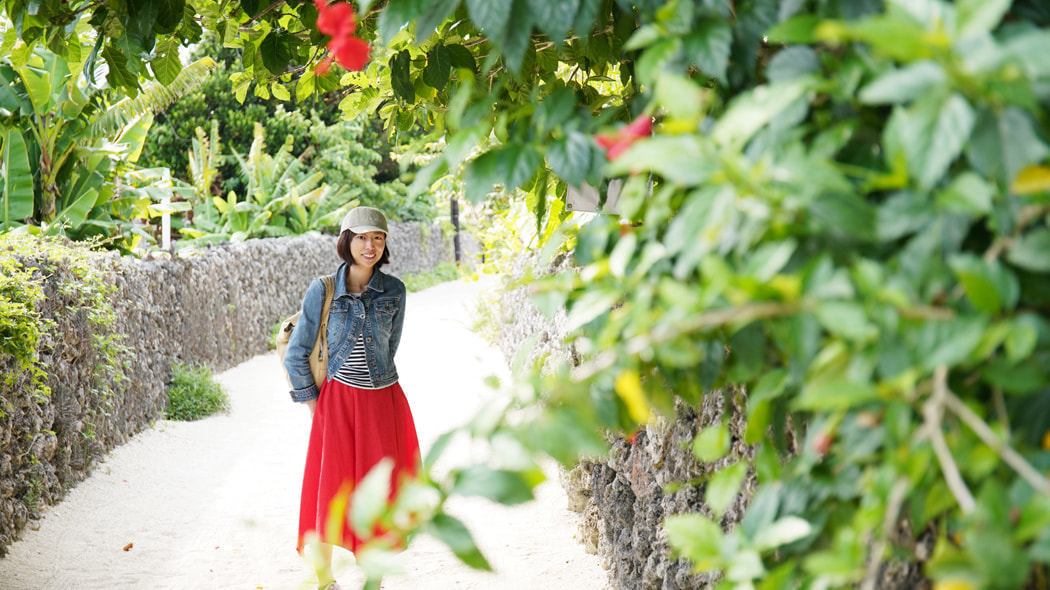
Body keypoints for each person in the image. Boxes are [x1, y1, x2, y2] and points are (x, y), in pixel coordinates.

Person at [284, 206, 420, 590]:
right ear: (346, 241)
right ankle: (325, 582)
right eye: (361, 237)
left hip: (384, 402)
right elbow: (297, 353)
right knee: (330, 490)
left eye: (378, 237)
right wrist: (316, 407)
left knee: (380, 492)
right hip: (337, 403)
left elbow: (390, 347)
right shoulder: (323, 289)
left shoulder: (395, 290)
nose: (370, 245)